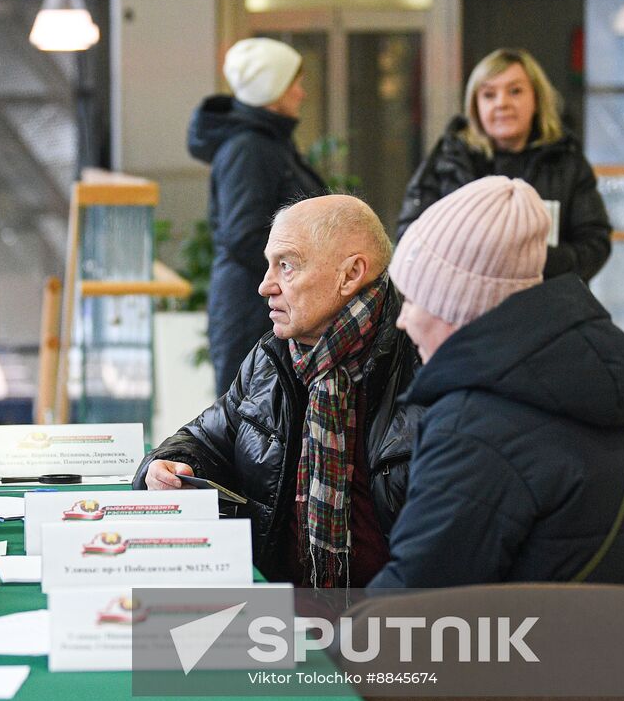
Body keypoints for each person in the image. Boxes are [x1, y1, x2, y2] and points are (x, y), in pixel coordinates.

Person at [372, 175, 624, 588]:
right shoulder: (595, 393)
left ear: (456, 305)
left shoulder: (471, 431)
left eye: (414, 300)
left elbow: (414, 600)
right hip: (603, 647)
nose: (403, 320)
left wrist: (324, 646)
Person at [136, 196, 419, 588]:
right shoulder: (273, 358)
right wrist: (171, 465)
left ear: (351, 274)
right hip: (281, 612)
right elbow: (204, 440)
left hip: (402, 622)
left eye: (286, 266)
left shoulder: (421, 361)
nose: (264, 286)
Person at [396, 47, 612, 282]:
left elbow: (595, 243)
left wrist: (535, 261)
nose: (502, 103)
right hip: (459, 310)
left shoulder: (566, 161)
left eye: (515, 91)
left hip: (547, 305)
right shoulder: (448, 159)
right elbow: (412, 236)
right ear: (475, 105)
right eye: (489, 95)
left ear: (537, 99)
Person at [189, 37, 329, 395]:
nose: (302, 93)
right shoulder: (248, 149)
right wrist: (304, 274)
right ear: (274, 89)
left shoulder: (268, 143)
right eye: (295, 83)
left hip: (266, 307)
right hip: (254, 314)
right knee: (252, 423)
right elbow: (245, 235)